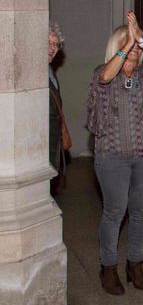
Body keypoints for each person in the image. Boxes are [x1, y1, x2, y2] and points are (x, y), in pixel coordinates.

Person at [86, 11, 143, 296]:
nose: (135, 49)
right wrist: (126, 46)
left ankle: (135, 263)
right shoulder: (104, 72)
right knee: (114, 211)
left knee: (140, 210)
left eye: (137, 44)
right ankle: (108, 266)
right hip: (112, 155)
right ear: (117, 46)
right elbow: (105, 77)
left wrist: (142, 39)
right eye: (129, 44)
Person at [49, 22, 71, 195]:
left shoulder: (50, 70)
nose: (52, 48)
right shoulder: (32, 72)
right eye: (48, 43)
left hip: (53, 140)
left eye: (56, 45)